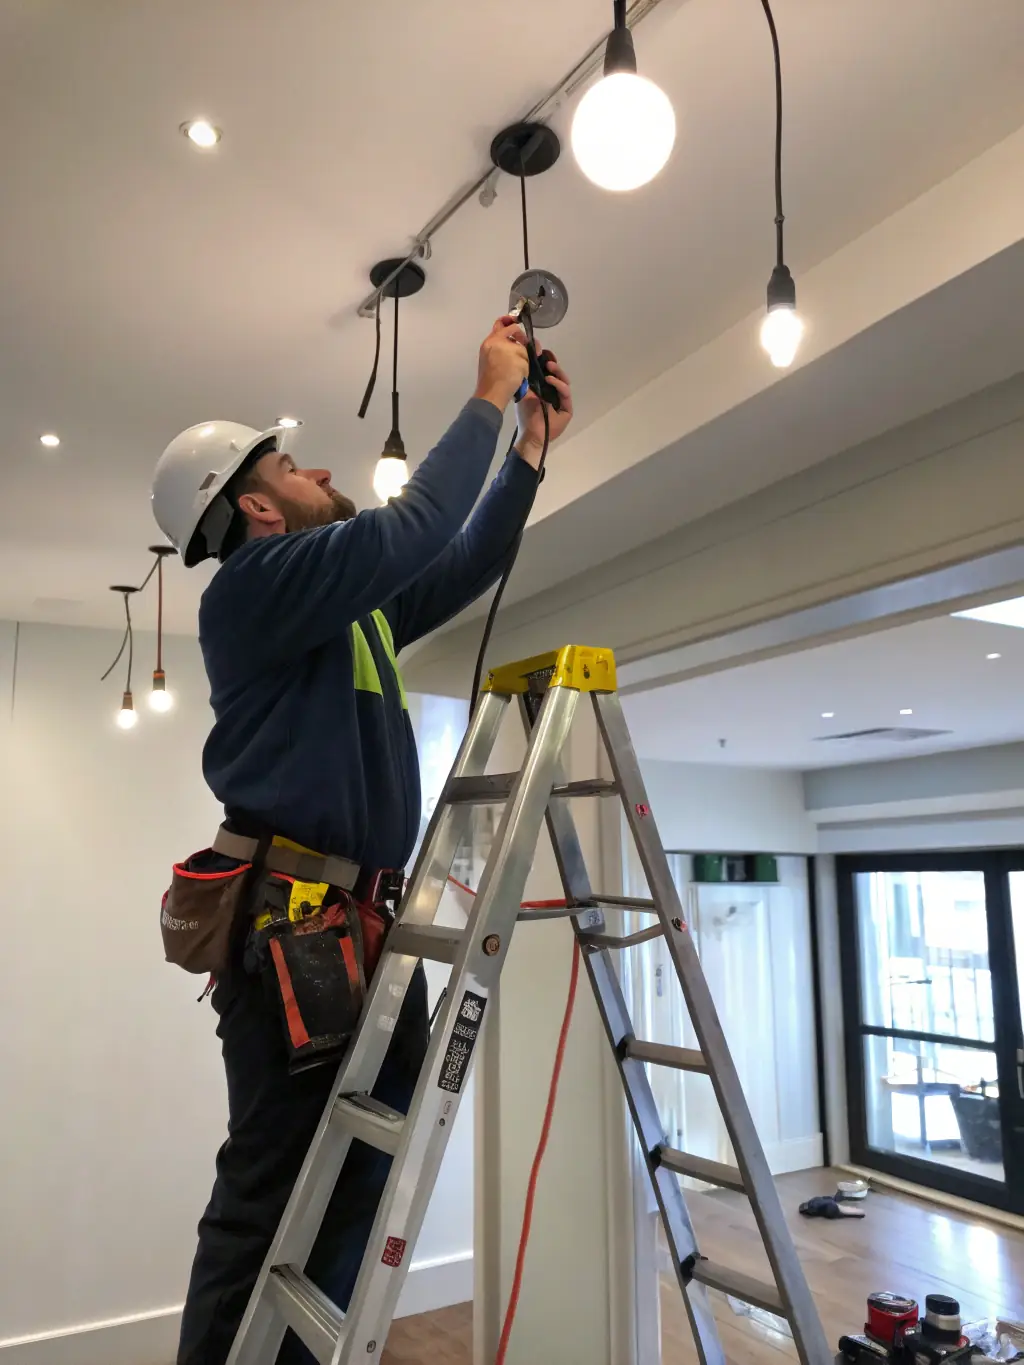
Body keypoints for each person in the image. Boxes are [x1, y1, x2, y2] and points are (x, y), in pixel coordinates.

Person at [151, 315, 573, 1365]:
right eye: (291, 464)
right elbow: (414, 527)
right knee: (268, 1194)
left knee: (357, 1181)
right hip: (297, 934)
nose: (320, 468)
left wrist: (526, 449)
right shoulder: (252, 590)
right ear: (254, 505)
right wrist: (484, 395)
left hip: (361, 930)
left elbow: (459, 556)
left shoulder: (345, 612)